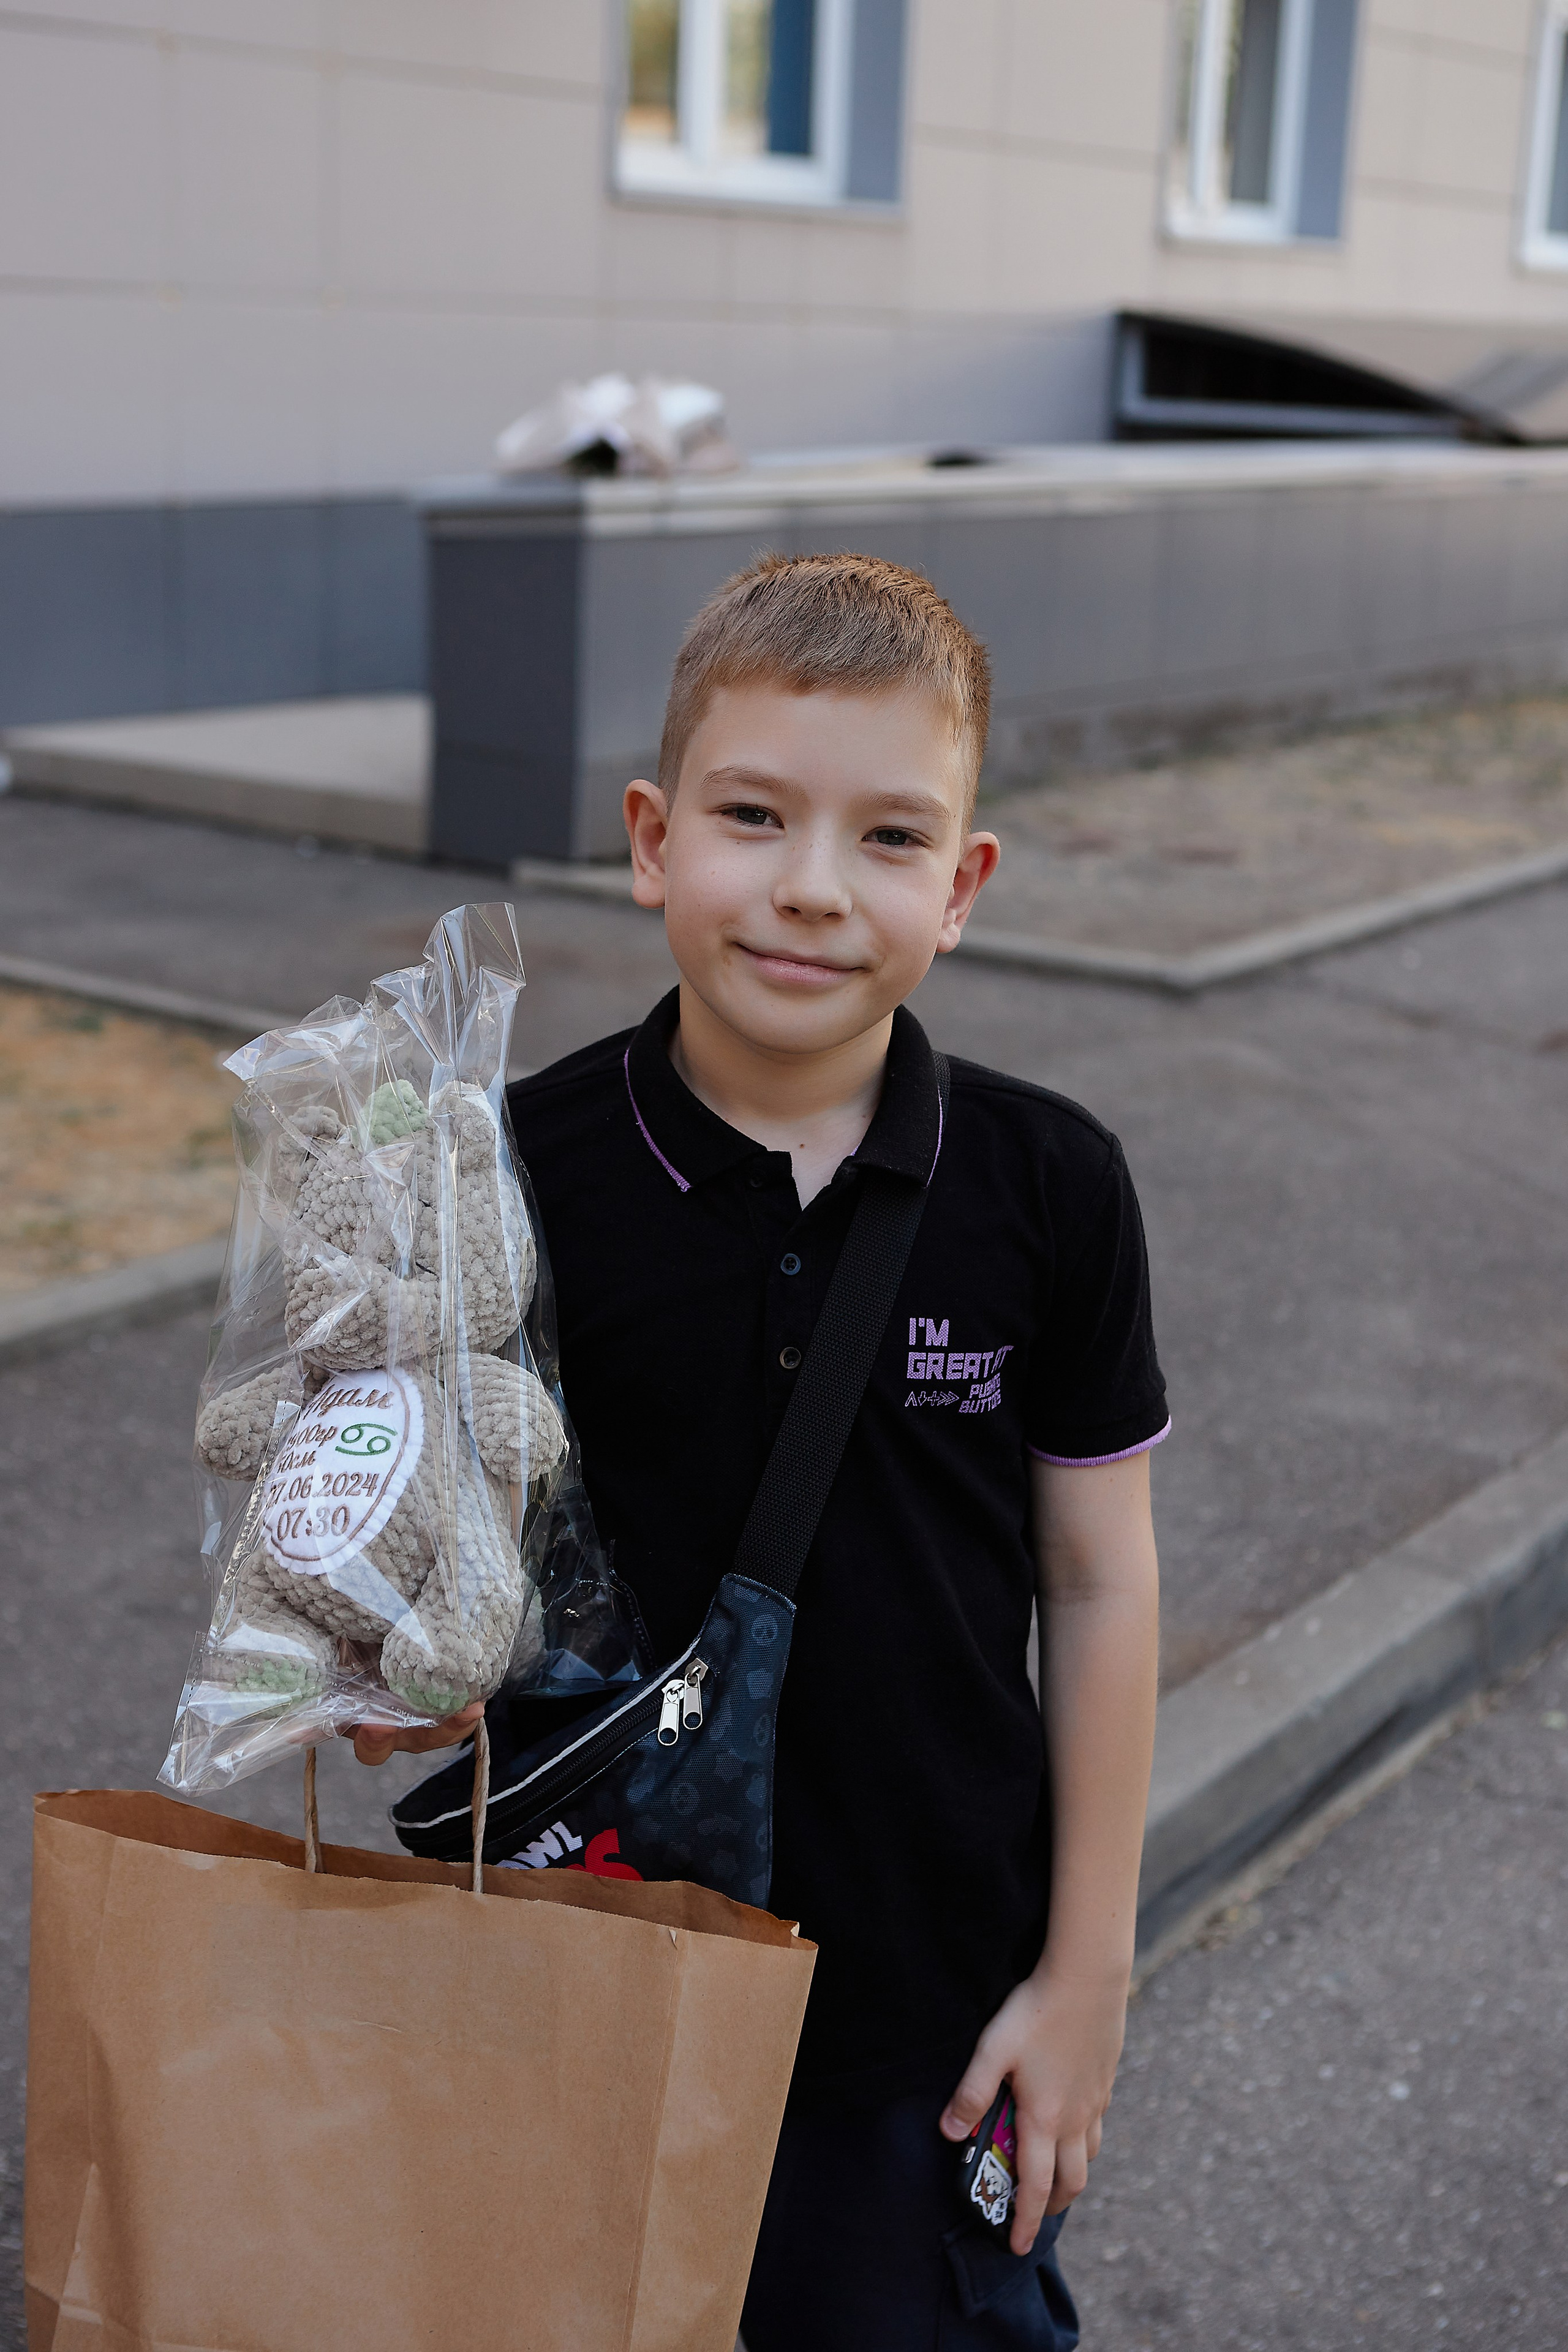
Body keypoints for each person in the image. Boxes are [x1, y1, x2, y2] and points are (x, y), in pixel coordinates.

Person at [355, 552, 1166, 2349]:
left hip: (920, 2026)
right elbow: (431, 1566)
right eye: (751, 816)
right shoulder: (505, 1174)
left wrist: (1088, 1965)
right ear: (653, 840)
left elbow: (1100, 1582)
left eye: (889, 839)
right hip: (573, 1979)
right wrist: (378, 1668)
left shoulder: (1048, 1187)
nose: (810, 889)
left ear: (962, 887)